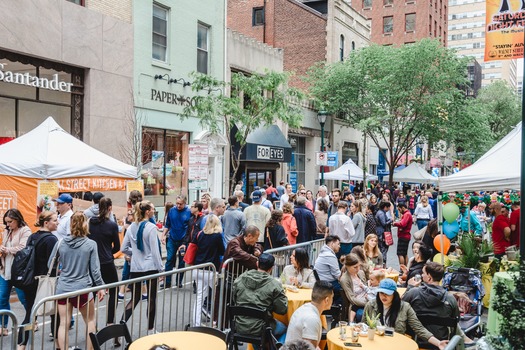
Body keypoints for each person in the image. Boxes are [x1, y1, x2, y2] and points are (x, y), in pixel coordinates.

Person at [54, 212, 106, 350]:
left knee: (63, 323)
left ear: (71, 224)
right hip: (83, 287)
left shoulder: (61, 243)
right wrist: (101, 286)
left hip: (63, 287)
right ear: (85, 224)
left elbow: (50, 265)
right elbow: (95, 270)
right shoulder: (90, 244)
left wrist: (64, 269)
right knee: (90, 321)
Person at [364, 278, 448, 350]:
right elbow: (363, 326)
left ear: (394, 294)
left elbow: (419, 328)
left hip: (396, 344)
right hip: (375, 344)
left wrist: (438, 343)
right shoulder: (371, 305)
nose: (383, 296)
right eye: (381, 293)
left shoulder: (405, 307)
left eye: (387, 294)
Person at [17, 212, 59, 349]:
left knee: (30, 313)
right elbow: (52, 263)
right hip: (46, 281)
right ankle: (59, 344)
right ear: (46, 223)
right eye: (54, 220)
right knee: (54, 313)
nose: (57, 222)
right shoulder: (52, 240)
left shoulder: (32, 236)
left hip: (31, 280)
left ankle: (21, 345)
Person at [121, 201, 164, 334]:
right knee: (151, 298)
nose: (153, 211)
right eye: (152, 209)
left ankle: (121, 326)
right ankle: (151, 330)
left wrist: (134, 253)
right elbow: (155, 251)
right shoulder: (151, 227)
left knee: (135, 298)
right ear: (147, 212)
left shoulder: (131, 227)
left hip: (136, 266)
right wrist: (161, 269)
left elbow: (123, 248)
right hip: (150, 266)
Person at [233, 253, 288, 346]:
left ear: (257, 263)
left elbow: (235, 299)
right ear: (272, 268)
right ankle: (279, 346)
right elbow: (282, 309)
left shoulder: (240, 278)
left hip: (240, 325)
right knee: (286, 329)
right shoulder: (274, 285)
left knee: (260, 324)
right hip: (260, 328)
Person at [87, 197, 120, 334]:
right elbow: (117, 246)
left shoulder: (90, 223)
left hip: (93, 262)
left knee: (93, 292)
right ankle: (110, 322)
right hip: (107, 262)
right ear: (110, 208)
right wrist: (109, 254)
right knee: (113, 291)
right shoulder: (111, 225)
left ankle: (91, 324)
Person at [0, 209, 30, 335]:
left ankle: (30, 320)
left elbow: (24, 248)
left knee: (24, 299)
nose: (8, 225)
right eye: (6, 222)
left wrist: (8, 249)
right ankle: (3, 326)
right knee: (2, 298)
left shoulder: (25, 231)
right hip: (5, 269)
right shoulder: (7, 231)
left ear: (17, 219)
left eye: (10, 222)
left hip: (18, 271)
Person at [192, 215, 225, 326]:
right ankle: (216, 321)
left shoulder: (200, 234)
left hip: (198, 268)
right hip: (211, 269)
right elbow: (222, 251)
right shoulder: (217, 236)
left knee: (199, 296)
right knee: (219, 295)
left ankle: (196, 323)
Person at [285, 281, 334, 349]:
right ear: (327, 300)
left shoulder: (305, 307)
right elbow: (310, 348)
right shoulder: (312, 319)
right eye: (332, 298)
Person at [162, 195, 191, 288]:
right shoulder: (171, 211)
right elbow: (167, 225)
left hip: (183, 241)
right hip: (172, 238)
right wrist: (163, 235)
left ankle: (179, 281)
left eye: (181, 204)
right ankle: (167, 282)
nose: (178, 206)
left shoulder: (188, 212)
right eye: (177, 203)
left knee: (182, 262)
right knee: (169, 259)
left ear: (185, 203)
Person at [340, 253, 368, 322]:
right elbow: (352, 299)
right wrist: (367, 303)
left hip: (368, 298)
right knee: (361, 314)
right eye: (355, 267)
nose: (358, 269)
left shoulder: (361, 273)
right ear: (347, 266)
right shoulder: (344, 279)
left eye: (359, 266)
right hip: (357, 304)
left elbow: (366, 288)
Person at [313, 235, 342, 302]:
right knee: (345, 289)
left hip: (322, 281)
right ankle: (338, 310)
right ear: (332, 244)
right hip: (327, 283)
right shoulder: (329, 255)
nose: (339, 246)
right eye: (338, 244)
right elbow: (337, 275)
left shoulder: (324, 252)